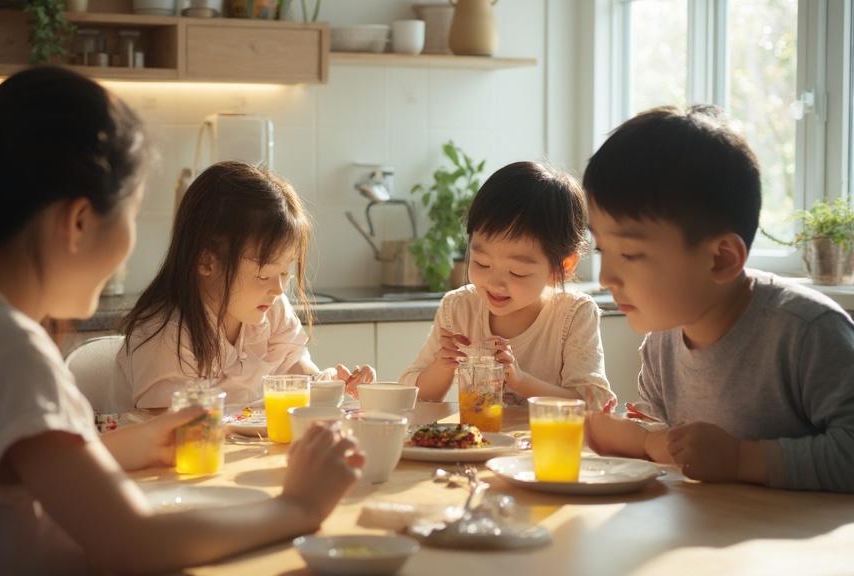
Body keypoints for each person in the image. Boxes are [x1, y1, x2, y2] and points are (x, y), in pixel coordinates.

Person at [0, 67, 363, 576]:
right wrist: (299, 505)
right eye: (132, 217)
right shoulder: (0, 344)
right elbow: (132, 543)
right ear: (79, 221)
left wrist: (132, 444)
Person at [583, 105, 854, 493]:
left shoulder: (806, 333)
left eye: (629, 254)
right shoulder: (661, 343)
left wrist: (742, 459)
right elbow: (679, 456)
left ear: (721, 259)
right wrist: (638, 438)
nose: (607, 277)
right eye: (600, 250)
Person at [117, 161, 375, 408]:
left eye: (285, 273)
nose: (278, 289)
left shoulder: (271, 306)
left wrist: (329, 386)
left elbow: (295, 368)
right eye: (264, 275)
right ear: (207, 261)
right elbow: (170, 432)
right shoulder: (165, 334)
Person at [400, 161, 615, 411]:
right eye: (481, 262)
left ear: (562, 267)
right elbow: (411, 395)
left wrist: (521, 381)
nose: (494, 283)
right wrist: (441, 366)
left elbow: (595, 402)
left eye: (517, 272)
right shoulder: (459, 307)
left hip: (545, 447)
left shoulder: (573, 314)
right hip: (478, 443)